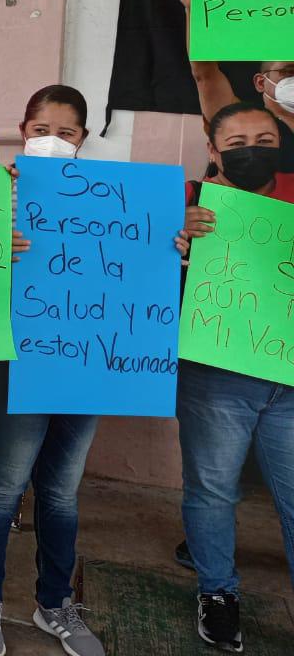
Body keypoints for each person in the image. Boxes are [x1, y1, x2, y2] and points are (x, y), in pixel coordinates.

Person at [0, 85, 106, 656]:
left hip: (86, 357)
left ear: (83, 140)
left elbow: (138, 257)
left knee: (63, 491)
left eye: (66, 132)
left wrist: (172, 232)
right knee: (3, 485)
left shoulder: (108, 196)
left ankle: (55, 604)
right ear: (24, 131)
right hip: (10, 355)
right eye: (41, 129)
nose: (52, 140)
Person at [174, 101, 294, 653]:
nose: (252, 150)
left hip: (289, 380)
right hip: (216, 377)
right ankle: (217, 594)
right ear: (213, 149)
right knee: (213, 491)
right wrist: (177, 244)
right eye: (239, 140)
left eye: (265, 139)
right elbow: (142, 274)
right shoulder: (188, 204)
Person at [176, 0, 294, 171]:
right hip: (236, 203)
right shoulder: (236, 119)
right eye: (289, 71)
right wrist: (194, 10)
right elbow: (205, 74)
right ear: (260, 81)